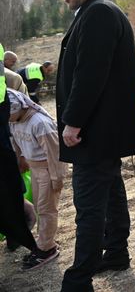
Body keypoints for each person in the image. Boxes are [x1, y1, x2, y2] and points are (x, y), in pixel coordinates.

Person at [55, 0, 135, 291]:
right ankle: (117, 252)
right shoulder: (99, 12)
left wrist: (73, 122)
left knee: (89, 205)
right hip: (103, 131)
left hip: (93, 131)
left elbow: (90, 74)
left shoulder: (98, 13)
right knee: (110, 191)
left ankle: (80, 278)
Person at [8, 89, 68, 270]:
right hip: (34, 168)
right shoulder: (14, 120)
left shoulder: (40, 123)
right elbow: (17, 143)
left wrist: (57, 178)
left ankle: (47, 248)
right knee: (40, 206)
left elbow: (55, 153)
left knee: (46, 209)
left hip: (47, 170)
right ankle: (43, 242)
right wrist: (20, 158)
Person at [0, 43, 38, 259]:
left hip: (9, 146)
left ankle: (15, 235)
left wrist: (22, 154)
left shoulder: (12, 79)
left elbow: (24, 117)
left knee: (14, 192)